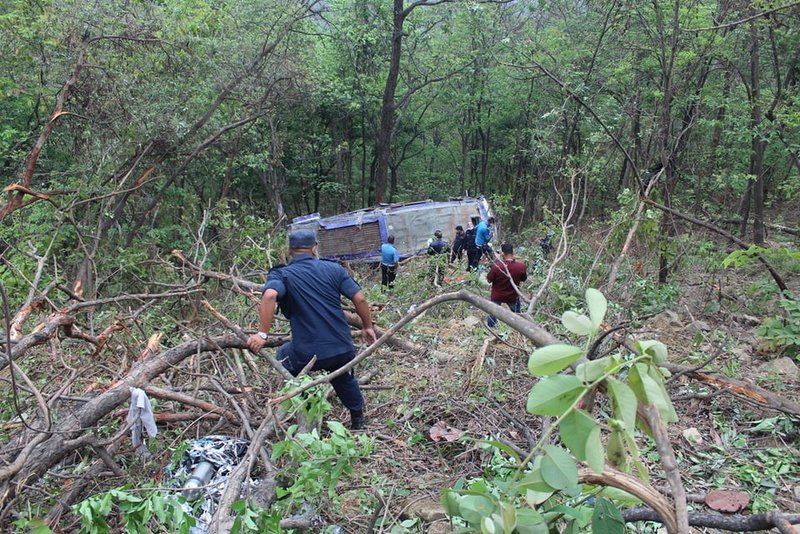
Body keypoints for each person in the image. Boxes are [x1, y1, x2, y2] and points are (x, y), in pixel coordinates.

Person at [247, 229, 377, 430]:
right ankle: (358, 419)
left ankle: (304, 405)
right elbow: (359, 298)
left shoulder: (282, 274)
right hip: (342, 349)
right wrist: (367, 327)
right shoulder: (334, 269)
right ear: (314, 248)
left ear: (290, 250)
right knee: (341, 375)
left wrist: (262, 334)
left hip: (308, 354)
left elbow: (270, 295)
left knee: (284, 355)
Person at [486, 243, 527, 327]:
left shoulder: (497, 266)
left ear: (502, 254)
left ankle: (491, 328)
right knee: (517, 315)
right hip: (512, 296)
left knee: (493, 312)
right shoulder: (521, 267)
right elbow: (523, 279)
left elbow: (489, 280)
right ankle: (518, 329)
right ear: (513, 252)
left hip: (497, 296)